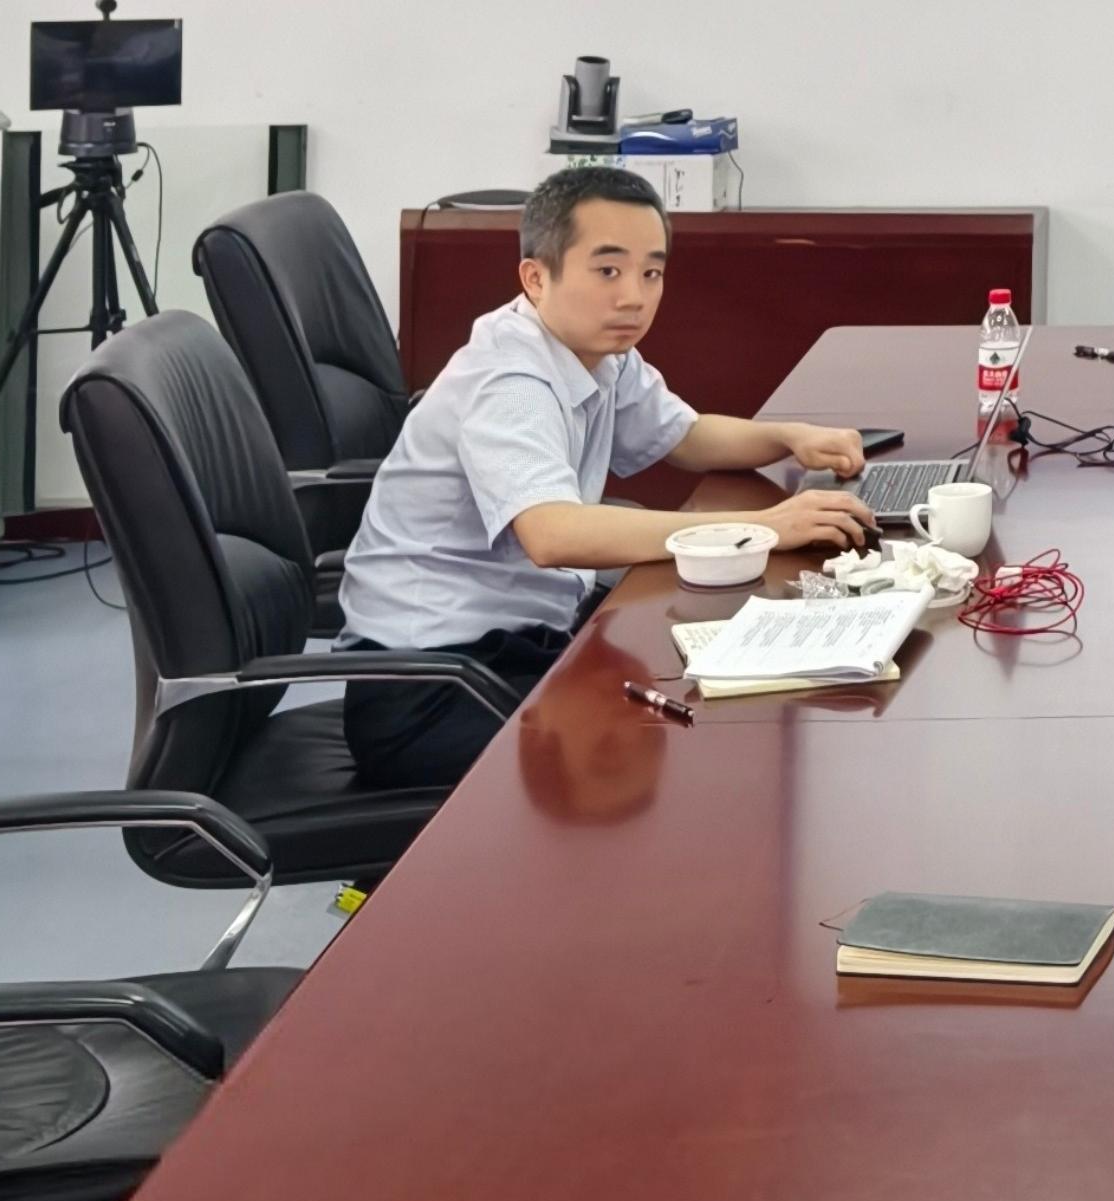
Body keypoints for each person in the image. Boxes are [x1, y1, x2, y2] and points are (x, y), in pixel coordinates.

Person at [335, 167, 878, 789]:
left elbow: (684, 436)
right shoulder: (510, 380)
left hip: (514, 644)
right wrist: (763, 527)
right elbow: (553, 535)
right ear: (536, 278)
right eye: (608, 270)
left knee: (709, 678)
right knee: (679, 733)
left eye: (651, 273)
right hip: (431, 688)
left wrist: (789, 437)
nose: (634, 297)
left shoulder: (595, 350)